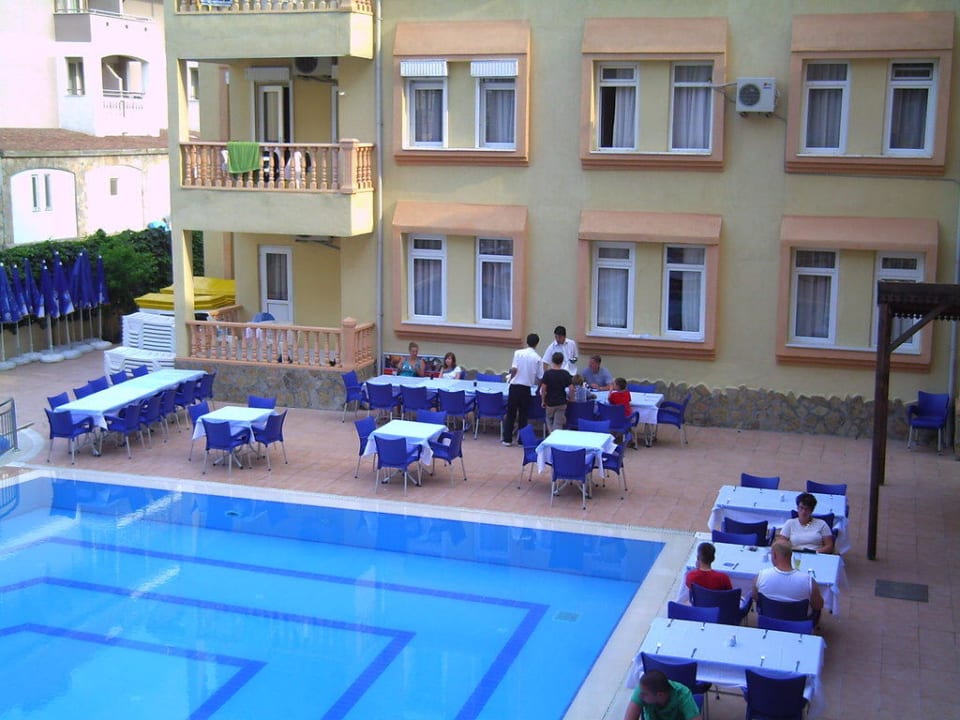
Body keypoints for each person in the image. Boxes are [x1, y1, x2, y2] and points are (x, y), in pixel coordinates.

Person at [753, 538, 824, 619]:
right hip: (799, 624)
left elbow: (756, 598)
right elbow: (818, 606)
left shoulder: (761, 576)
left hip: (768, 621)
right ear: (791, 555)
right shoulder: (808, 581)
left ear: (774, 555)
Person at [502, 333, 541, 446]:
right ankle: (521, 440)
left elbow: (514, 369)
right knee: (523, 415)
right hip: (526, 388)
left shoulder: (518, 353)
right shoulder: (538, 358)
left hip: (515, 386)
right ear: (536, 344)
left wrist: (511, 378)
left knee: (511, 413)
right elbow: (540, 377)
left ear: (526, 342)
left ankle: (507, 439)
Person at [623, 669, 701, 720]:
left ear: (659, 695)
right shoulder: (642, 689)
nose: (640, 696)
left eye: (645, 694)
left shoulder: (683, 694)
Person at [540, 351, 572, 433]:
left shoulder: (547, 374)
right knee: (558, 424)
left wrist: (543, 400)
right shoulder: (565, 373)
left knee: (549, 420)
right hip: (561, 402)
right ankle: (556, 435)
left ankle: (551, 434)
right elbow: (571, 388)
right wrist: (570, 397)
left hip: (550, 402)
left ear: (552, 360)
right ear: (562, 361)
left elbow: (543, 388)